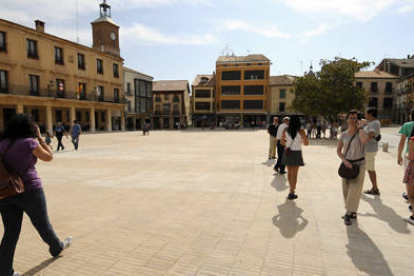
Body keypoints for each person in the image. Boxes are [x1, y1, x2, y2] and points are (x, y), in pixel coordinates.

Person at [0, 114, 72, 276]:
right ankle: (56, 247)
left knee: (10, 233)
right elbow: (49, 157)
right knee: (42, 224)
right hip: (31, 191)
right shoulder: (29, 142)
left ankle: (5, 271)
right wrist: (39, 137)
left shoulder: (1, 144)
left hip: (6, 192)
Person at [337, 110, 368, 226]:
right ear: (347, 119)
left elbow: (364, 141)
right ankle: (353, 211)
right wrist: (344, 161)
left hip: (359, 164)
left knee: (355, 190)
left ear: (358, 120)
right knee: (346, 189)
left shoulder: (362, 132)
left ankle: (348, 213)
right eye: (350, 117)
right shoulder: (344, 134)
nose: (352, 120)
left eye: (355, 118)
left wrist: (360, 127)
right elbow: (339, 151)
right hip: (347, 164)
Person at [280, 115, 309, 200]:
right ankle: (292, 192)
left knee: (289, 172)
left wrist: (287, 145)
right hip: (297, 153)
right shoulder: (301, 131)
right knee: (295, 174)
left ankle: (291, 190)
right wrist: (301, 141)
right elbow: (306, 143)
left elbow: (281, 142)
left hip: (288, 152)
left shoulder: (285, 130)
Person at [398, 108, 414, 212]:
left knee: (409, 179)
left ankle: (411, 201)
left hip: (410, 156)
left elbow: (402, 142)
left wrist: (398, 155)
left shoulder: (407, 125)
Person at [363, 108, 381, 195]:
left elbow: (369, 137)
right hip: (369, 149)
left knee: (370, 169)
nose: (364, 115)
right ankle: (375, 188)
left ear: (370, 114)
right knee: (370, 169)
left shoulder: (374, 123)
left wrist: (360, 137)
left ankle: (375, 188)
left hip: (369, 149)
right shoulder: (371, 123)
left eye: (366, 114)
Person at [402, 125, 414, 225]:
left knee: (410, 195)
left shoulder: (412, 140)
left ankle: (413, 216)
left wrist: (405, 155)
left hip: (413, 170)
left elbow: (410, 156)